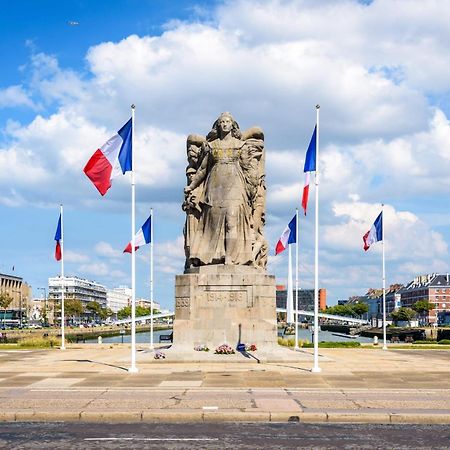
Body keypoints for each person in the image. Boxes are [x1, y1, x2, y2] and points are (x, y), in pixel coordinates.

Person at [184, 112, 263, 267]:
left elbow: (249, 169)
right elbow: (202, 170)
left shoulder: (240, 145)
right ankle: (212, 256)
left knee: (231, 222)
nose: (225, 124)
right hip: (214, 187)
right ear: (218, 125)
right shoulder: (211, 146)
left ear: (232, 125)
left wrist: (253, 188)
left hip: (236, 186)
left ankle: (229, 257)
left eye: (227, 122)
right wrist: (192, 186)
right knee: (212, 225)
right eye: (222, 122)